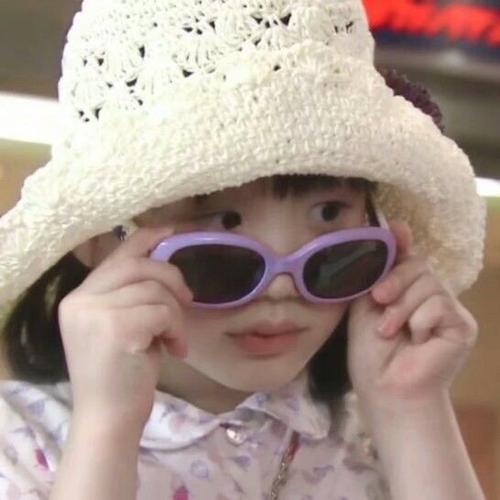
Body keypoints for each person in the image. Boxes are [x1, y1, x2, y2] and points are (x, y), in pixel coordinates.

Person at [0, 0, 487, 499]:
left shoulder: (378, 434)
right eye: (223, 221)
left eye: (327, 213)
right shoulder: (18, 442)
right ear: (96, 238)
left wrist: (412, 411)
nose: (282, 286)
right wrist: (106, 427)